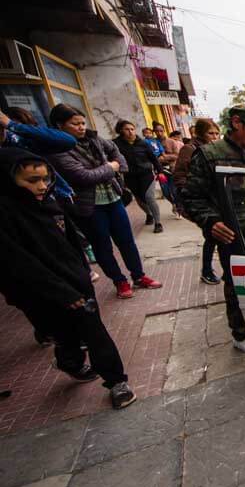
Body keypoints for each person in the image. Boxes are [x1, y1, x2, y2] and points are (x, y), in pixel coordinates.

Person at [0, 148, 136, 409]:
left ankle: (116, 381)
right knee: (64, 334)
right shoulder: (7, 215)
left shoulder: (51, 205)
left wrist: (83, 272)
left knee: (94, 332)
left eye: (45, 179)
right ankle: (69, 361)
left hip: (76, 283)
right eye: (31, 181)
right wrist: (63, 293)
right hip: (40, 291)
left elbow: (71, 241)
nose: (41, 186)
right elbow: (18, 263)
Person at [182, 105, 245, 355]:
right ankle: (241, 334)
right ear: (237, 123)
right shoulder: (209, 155)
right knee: (238, 285)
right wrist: (210, 222)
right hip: (235, 236)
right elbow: (191, 197)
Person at [48, 103, 162, 299]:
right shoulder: (58, 150)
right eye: (75, 124)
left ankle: (139, 276)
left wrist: (117, 165)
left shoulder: (95, 139)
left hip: (113, 198)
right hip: (89, 206)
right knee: (102, 247)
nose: (81, 127)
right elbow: (83, 176)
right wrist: (111, 168)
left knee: (127, 242)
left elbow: (116, 151)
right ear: (60, 126)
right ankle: (120, 281)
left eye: (83, 122)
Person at [173, 118, 222, 285]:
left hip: (216, 199)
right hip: (201, 202)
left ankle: (210, 270)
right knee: (212, 235)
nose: (214, 137)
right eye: (211, 133)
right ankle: (206, 270)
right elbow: (180, 176)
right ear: (201, 133)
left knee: (215, 237)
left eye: (217, 133)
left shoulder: (216, 149)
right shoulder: (190, 149)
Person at [113, 120, 164, 233]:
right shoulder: (116, 144)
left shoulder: (143, 143)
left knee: (149, 198)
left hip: (146, 175)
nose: (131, 132)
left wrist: (160, 171)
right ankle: (149, 214)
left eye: (132, 129)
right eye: (127, 129)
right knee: (140, 200)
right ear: (121, 130)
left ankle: (158, 223)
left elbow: (153, 159)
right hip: (130, 177)